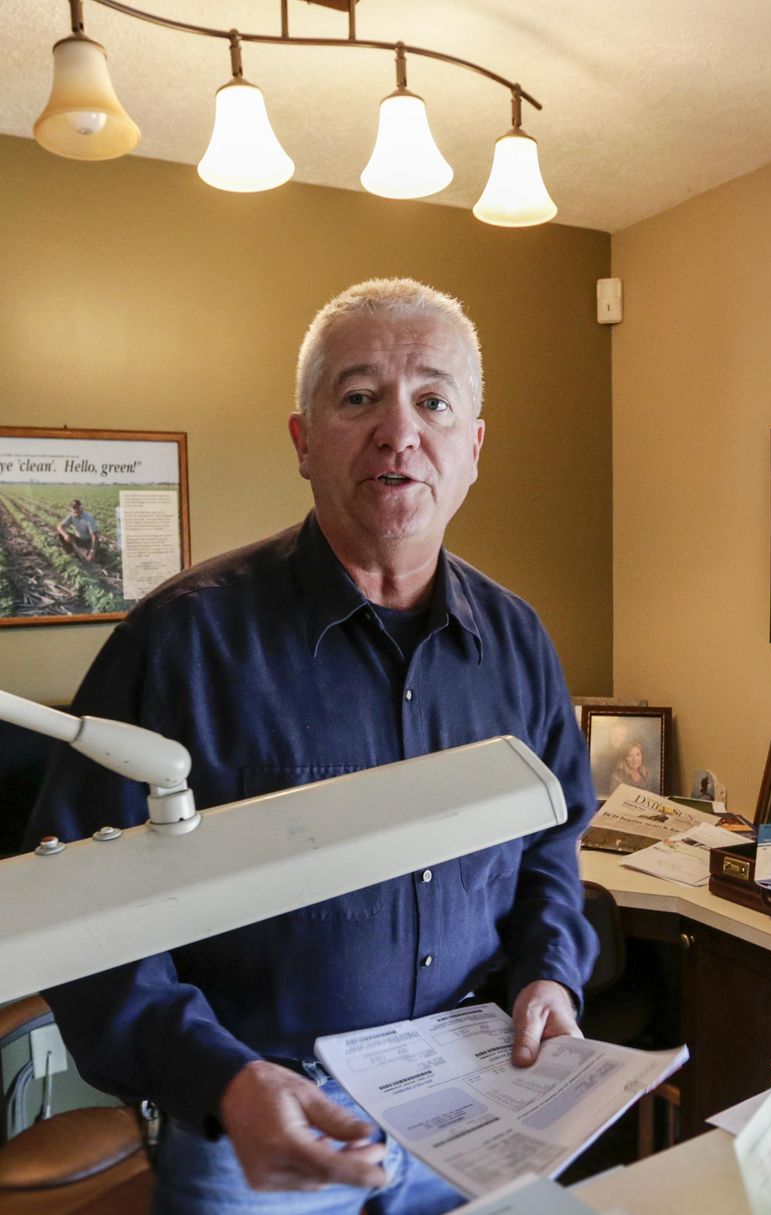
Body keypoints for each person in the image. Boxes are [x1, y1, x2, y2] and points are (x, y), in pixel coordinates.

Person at [27, 279, 597, 1215]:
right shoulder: (181, 641)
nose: (398, 431)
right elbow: (77, 913)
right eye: (360, 395)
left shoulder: (521, 641)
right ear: (302, 440)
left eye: (433, 400)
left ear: (474, 448)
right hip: (260, 1123)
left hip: (478, 1094)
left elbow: (553, 844)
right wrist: (216, 1078)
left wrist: (551, 971)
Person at [56, 498, 100, 562]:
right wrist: (65, 535)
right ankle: (71, 551)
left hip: (88, 541)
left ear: (80, 507)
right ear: (71, 508)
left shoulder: (89, 518)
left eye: (77, 507)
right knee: (60, 534)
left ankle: (90, 551)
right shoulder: (72, 515)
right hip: (78, 539)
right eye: (73, 508)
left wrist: (92, 551)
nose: (75, 510)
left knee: (88, 558)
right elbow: (59, 526)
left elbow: (94, 535)